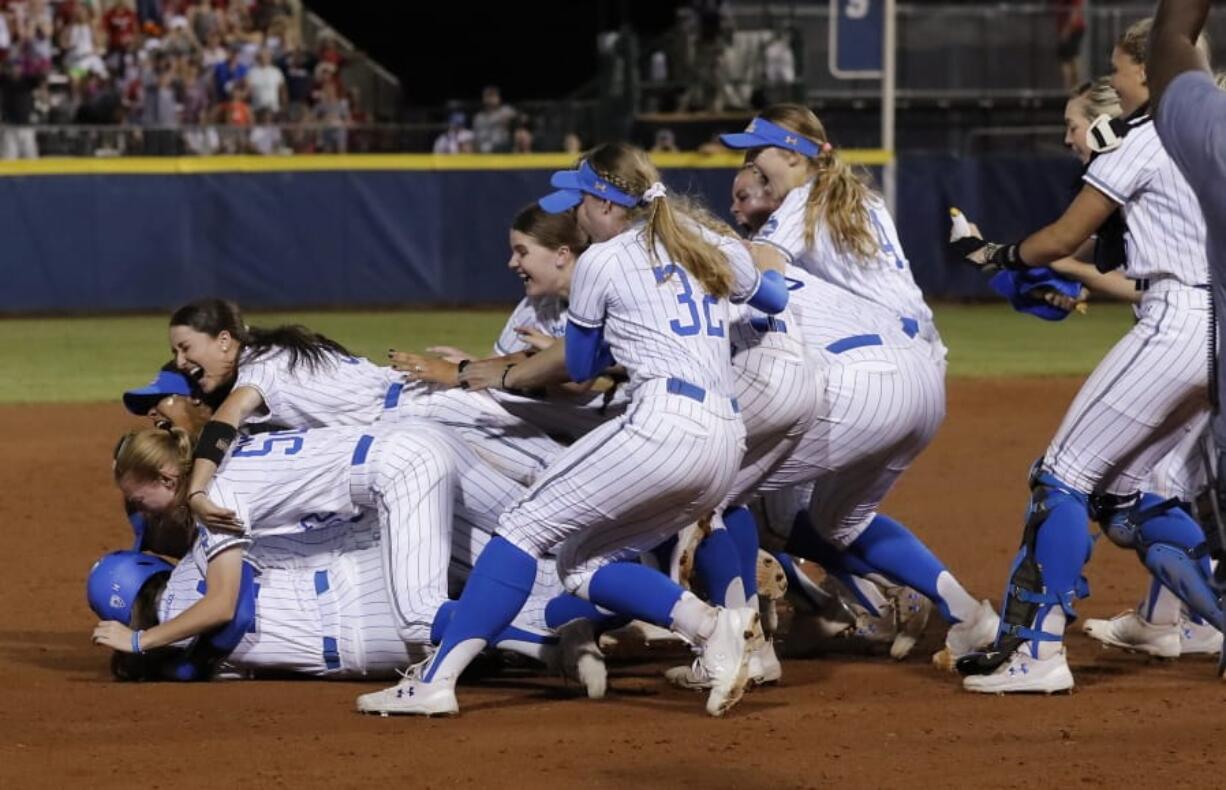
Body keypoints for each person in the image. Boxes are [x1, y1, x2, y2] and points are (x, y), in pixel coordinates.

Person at [355, 141, 789, 718]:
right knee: (582, 565)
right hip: (725, 436)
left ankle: (435, 681)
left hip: (662, 421)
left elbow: (581, 369)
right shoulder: (699, 237)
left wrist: (579, 342)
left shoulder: (603, 262)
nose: (577, 214)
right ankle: (715, 629)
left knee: (520, 528)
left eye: (581, 200)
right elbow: (775, 295)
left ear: (607, 203)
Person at [949, 18, 1221, 693]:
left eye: (1122, 68)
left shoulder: (1149, 133)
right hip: (1217, 330)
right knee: (1125, 496)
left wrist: (1001, 255)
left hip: (1179, 318)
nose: (1118, 80)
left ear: (1148, 68)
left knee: (1062, 476)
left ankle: (1034, 653)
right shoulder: (1211, 132)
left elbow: (1065, 234)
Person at [719, 114, 998, 669]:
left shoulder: (805, 198)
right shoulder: (858, 197)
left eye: (760, 157)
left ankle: (744, 646)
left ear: (795, 156)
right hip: (925, 373)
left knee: (723, 484)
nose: (752, 167)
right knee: (834, 523)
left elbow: (763, 274)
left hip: (866, 372)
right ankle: (967, 614)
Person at [472, 85, 515, 153]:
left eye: (493, 96)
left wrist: (509, 122)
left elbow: (518, 121)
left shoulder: (506, 111)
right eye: (488, 96)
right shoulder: (478, 117)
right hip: (482, 149)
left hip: (501, 148)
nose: (490, 99)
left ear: (498, 98)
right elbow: (475, 137)